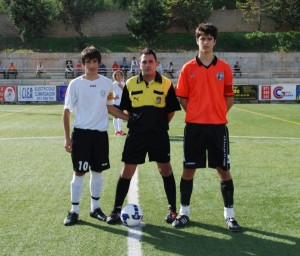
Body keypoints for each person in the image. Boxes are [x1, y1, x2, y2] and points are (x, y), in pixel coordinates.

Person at [174, 23, 241, 232]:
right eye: (202, 38)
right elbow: (182, 98)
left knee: (223, 170)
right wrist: (196, 113)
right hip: (194, 127)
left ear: (214, 41)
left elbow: (229, 99)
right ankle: (184, 213)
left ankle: (229, 215)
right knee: (189, 168)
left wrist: (216, 114)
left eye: (209, 38)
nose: (205, 42)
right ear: (197, 41)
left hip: (217, 127)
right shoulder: (187, 68)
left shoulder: (224, 68)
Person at [106, 48, 181, 225]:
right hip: (136, 136)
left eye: (150, 61)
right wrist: (130, 120)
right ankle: (116, 210)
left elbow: (171, 111)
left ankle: (172, 209)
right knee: (126, 171)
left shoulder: (167, 84)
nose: (147, 65)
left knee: (165, 170)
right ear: (139, 64)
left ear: (156, 63)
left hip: (158, 136)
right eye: (143, 62)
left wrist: (159, 124)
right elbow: (123, 109)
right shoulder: (130, 84)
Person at [63, 45, 128, 226]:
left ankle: (95, 208)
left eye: (94, 61)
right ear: (82, 64)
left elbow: (110, 107)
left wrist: (128, 118)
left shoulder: (107, 83)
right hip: (81, 135)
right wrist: (67, 138)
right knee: (79, 172)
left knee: (98, 171)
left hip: (100, 136)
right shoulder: (75, 84)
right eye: (88, 62)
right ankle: (74, 211)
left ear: (99, 63)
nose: (91, 65)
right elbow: (66, 112)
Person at [112, 70, 126, 136]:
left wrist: (121, 87)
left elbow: (126, 93)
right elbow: (108, 93)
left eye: (120, 75)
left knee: (120, 117)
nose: (118, 76)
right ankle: (117, 131)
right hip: (115, 103)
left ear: (122, 76)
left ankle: (120, 130)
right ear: (115, 76)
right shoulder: (113, 84)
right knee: (115, 117)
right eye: (117, 75)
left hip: (122, 103)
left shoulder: (124, 83)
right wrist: (113, 97)